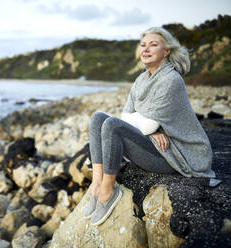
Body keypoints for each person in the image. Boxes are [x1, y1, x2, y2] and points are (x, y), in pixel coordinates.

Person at [83, 27, 215, 226]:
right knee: (97, 118)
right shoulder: (141, 79)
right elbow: (127, 116)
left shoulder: (171, 80)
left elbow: (145, 125)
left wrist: (151, 127)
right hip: (158, 145)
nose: (146, 49)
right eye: (143, 45)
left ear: (166, 51)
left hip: (177, 156)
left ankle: (108, 191)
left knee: (112, 125)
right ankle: (97, 182)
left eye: (153, 45)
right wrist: (152, 128)